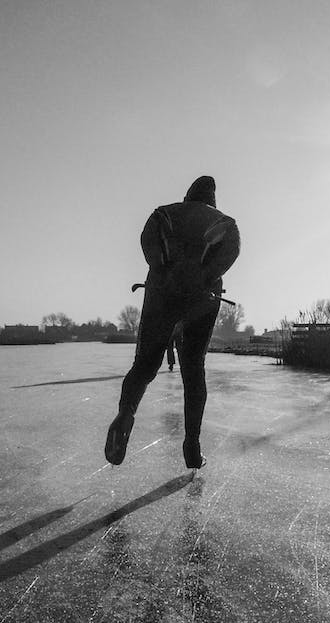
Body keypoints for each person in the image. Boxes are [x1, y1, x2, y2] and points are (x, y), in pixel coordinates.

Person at [105, 176, 240, 468]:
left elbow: (147, 243)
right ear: (212, 199)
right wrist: (204, 275)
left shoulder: (163, 213)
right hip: (202, 300)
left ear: (188, 195)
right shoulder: (226, 223)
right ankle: (192, 447)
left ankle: (126, 413)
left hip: (161, 294)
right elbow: (232, 251)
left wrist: (166, 268)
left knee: (144, 365)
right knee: (193, 371)